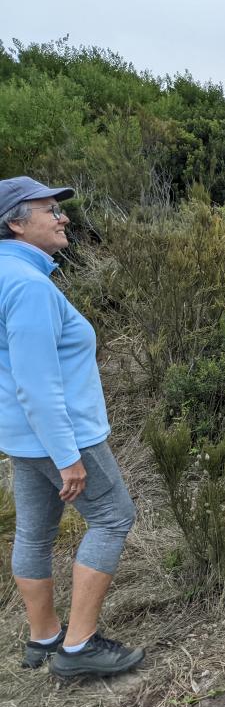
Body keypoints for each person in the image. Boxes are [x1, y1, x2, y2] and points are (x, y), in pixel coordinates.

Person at [0, 176, 144, 677]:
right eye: (48, 210)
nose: (62, 217)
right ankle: (79, 649)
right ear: (15, 224)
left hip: (22, 437)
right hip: (60, 434)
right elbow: (37, 385)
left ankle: (43, 638)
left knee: (35, 534)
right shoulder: (27, 286)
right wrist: (68, 456)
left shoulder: (4, 275)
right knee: (112, 516)